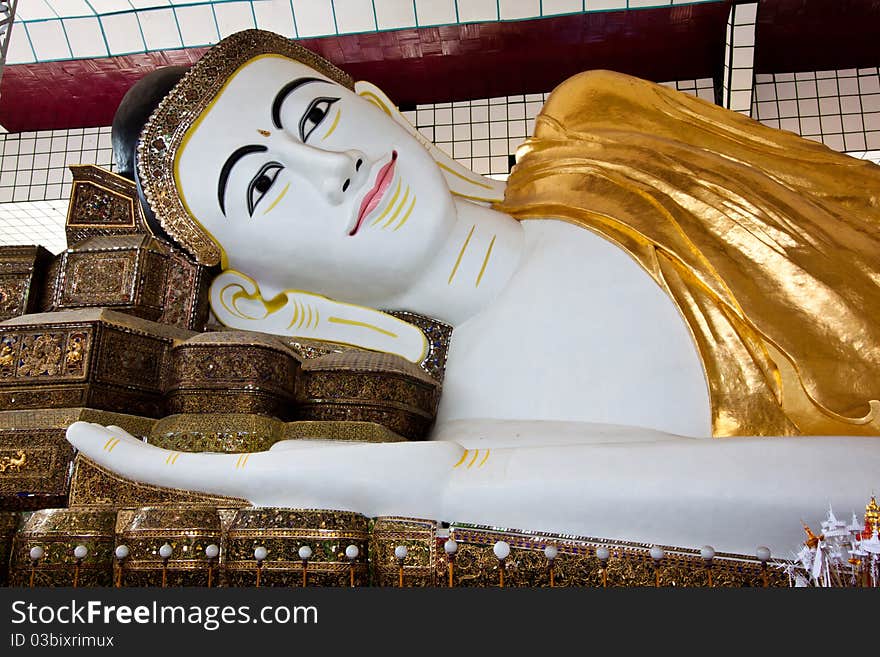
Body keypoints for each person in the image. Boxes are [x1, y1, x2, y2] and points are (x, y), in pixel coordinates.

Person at [67, 30, 880, 554]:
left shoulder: (598, 125)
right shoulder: (497, 435)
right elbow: (831, 525)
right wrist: (427, 481)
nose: (332, 165)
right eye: (266, 182)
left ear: (377, 107)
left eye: (313, 116)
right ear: (260, 299)